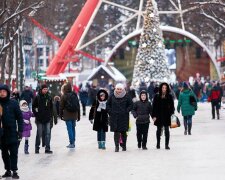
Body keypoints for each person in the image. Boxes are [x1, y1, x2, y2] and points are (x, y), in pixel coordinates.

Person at [0, 84, 23, 179]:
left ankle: (14, 171)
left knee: (14, 153)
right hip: (1, 134)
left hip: (12, 132)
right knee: (4, 153)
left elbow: (20, 118)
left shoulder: (13, 103)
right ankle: (8, 170)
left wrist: (20, 131)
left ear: (8, 92)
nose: (2, 93)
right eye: (0, 92)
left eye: (4, 91)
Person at [107, 83, 133, 152]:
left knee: (124, 132)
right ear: (115, 89)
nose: (119, 90)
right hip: (115, 117)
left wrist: (126, 111)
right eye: (117, 89)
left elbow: (131, 105)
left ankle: (124, 145)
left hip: (124, 117)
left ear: (123, 89)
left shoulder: (127, 96)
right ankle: (116, 146)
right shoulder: (112, 96)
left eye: (120, 89)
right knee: (116, 132)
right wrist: (110, 112)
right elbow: (108, 105)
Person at [152, 82, 174, 150]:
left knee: (167, 130)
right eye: (163, 88)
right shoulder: (157, 96)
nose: (164, 89)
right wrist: (154, 116)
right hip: (158, 115)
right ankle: (158, 143)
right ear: (161, 88)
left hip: (167, 115)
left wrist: (171, 113)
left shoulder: (169, 96)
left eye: (165, 88)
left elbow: (172, 106)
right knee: (158, 130)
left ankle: (166, 145)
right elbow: (154, 107)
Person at [32, 84, 54, 154]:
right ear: (41, 89)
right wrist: (36, 115)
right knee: (39, 134)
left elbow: (51, 107)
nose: (45, 90)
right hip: (40, 119)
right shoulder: (37, 97)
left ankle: (47, 148)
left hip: (47, 118)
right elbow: (33, 107)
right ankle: (37, 148)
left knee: (47, 133)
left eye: (46, 89)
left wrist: (50, 115)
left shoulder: (49, 97)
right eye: (44, 89)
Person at [60, 82, 80, 148]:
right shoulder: (74, 95)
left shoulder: (64, 96)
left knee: (69, 129)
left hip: (67, 114)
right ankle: (73, 141)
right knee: (73, 128)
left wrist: (61, 115)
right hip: (74, 114)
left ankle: (71, 143)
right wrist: (78, 115)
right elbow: (78, 105)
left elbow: (61, 107)